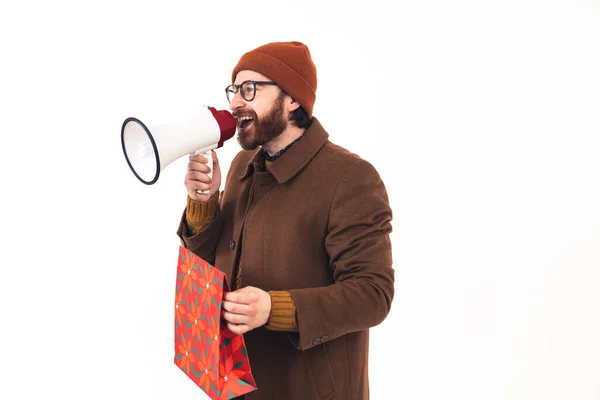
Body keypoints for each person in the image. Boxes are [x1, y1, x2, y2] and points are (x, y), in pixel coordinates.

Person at [177, 40, 394, 400]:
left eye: (250, 89)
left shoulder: (351, 177)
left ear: (292, 99)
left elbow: (373, 294)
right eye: (234, 90)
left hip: (308, 389)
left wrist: (274, 309)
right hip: (234, 383)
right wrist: (202, 201)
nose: (234, 103)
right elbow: (213, 263)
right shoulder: (242, 166)